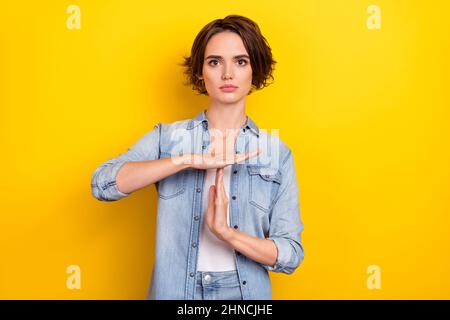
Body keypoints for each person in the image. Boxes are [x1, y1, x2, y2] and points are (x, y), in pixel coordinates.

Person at [91, 14, 304, 300]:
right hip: (175, 292)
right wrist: (187, 160)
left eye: (240, 62)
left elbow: (290, 254)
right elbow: (102, 184)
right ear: (200, 72)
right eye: (214, 62)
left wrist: (227, 233)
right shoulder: (167, 139)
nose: (227, 73)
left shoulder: (277, 154)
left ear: (255, 70)